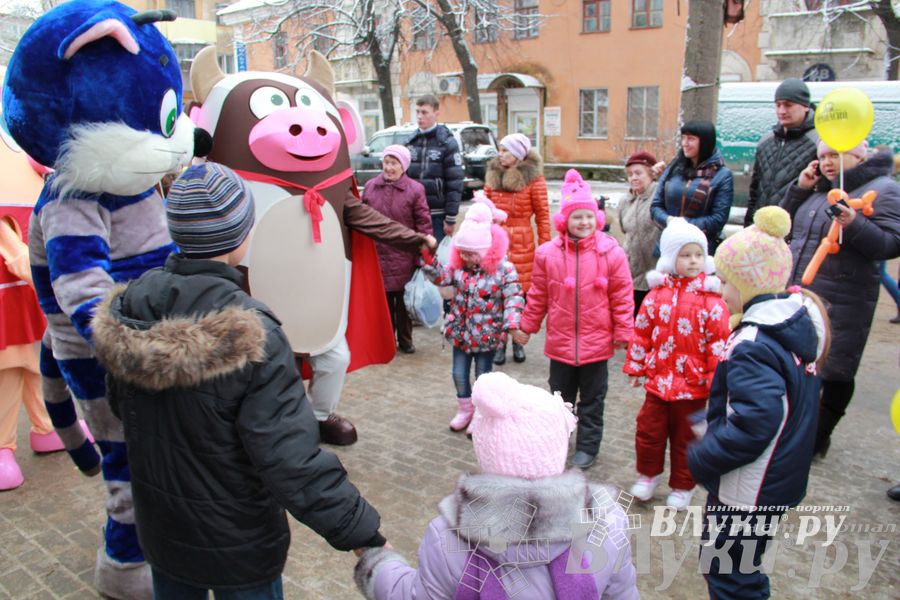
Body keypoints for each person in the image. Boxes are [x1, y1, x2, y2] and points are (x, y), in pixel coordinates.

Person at [92, 163, 386, 598]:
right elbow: (291, 459)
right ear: (242, 234)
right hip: (240, 544)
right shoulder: (253, 331)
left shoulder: (133, 304)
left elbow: (120, 407)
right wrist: (365, 534)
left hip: (162, 532)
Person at [353, 371, 640, 600]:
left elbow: (415, 595)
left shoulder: (449, 538)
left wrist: (377, 564)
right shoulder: (608, 521)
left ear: (484, 450)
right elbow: (623, 592)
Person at [688, 206, 830, 600]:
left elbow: (757, 421)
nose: (721, 289)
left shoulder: (753, 345)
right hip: (774, 483)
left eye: (727, 282)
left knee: (729, 574)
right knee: (743, 569)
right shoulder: (792, 326)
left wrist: (704, 456)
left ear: (749, 284)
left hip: (747, 489)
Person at [781, 141, 900, 458]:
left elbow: (890, 244)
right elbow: (784, 224)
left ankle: (820, 436)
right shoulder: (822, 188)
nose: (828, 162)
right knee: (798, 366)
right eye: (822, 156)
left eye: (835, 154)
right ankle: (794, 430)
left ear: (860, 154)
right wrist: (799, 188)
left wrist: (855, 223)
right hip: (802, 293)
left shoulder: (884, 188)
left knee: (836, 370)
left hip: (845, 297)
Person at [514, 169, 634, 470]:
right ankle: (556, 441)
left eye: (588, 216)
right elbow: (539, 294)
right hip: (561, 343)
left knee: (593, 401)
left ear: (598, 218)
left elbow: (622, 296)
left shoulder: (611, 252)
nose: (584, 222)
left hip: (597, 343)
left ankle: (588, 447)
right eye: (577, 217)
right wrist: (527, 326)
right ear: (564, 220)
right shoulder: (547, 254)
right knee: (558, 400)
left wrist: (624, 331)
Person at [623, 218, 731, 511]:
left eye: (698, 254)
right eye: (685, 255)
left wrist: (714, 381)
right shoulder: (656, 296)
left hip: (693, 388)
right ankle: (648, 474)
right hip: (658, 382)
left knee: (688, 439)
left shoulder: (712, 300)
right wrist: (636, 365)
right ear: (672, 259)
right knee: (649, 432)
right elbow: (642, 332)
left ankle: (683, 484)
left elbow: (718, 344)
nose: (693, 261)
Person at [420, 203, 524, 432]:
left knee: (483, 379)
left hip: (486, 337)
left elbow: (514, 297)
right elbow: (440, 276)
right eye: (463, 252)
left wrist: (513, 325)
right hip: (461, 334)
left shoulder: (504, 270)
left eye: (472, 253)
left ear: (487, 249)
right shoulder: (459, 268)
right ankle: (465, 408)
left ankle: (481, 413)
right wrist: (428, 258)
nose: (467, 257)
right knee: (458, 374)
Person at [482, 133, 550, 365]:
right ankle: (499, 342)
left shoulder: (534, 180)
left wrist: (546, 247)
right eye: (499, 150)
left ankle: (518, 341)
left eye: (505, 150)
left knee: (519, 295)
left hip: (523, 242)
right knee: (497, 294)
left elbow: (542, 216)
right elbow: (484, 209)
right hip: (496, 241)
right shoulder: (493, 175)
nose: (500, 155)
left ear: (518, 154)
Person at [363, 145, 434, 354]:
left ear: (403, 167)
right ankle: (384, 341)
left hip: (404, 253)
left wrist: (423, 253)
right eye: (386, 162)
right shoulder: (370, 187)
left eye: (394, 163)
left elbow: (423, 223)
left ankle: (405, 340)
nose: (389, 168)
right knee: (382, 303)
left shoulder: (415, 189)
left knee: (403, 302)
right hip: (377, 253)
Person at [744, 78, 819, 226]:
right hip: (761, 229)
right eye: (778, 105)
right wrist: (748, 226)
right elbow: (755, 191)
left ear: (805, 106)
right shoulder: (766, 141)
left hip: (795, 230)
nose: (781, 111)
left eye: (788, 105)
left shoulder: (818, 142)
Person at [651, 120, 733, 254]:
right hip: (667, 247)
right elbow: (655, 206)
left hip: (698, 251)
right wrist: (669, 220)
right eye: (683, 138)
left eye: (691, 139)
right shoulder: (674, 168)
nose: (685, 143)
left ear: (705, 141)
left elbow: (718, 219)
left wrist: (684, 224)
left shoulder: (722, 175)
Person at [405, 94, 464, 243]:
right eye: (417, 112)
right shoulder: (410, 142)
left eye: (424, 112)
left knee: (435, 259)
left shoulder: (447, 143)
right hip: (412, 212)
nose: (419, 116)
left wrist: (450, 218)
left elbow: (455, 183)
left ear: (436, 113)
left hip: (437, 215)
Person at [619, 150, 664, 314]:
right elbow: (624, 231)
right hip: (631, 275)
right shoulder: (625, 201)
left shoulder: (661, 195)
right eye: (630, 174)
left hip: (656, 274)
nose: (633, 178)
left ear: (651, 173)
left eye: (638, 173)